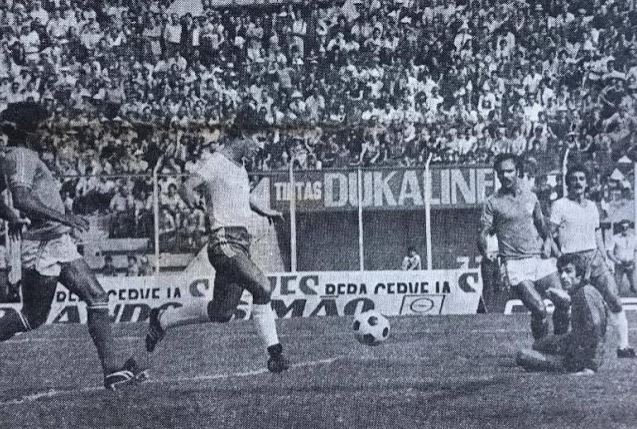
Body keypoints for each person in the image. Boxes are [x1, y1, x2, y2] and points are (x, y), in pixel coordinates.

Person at [0, 102, 146, 390]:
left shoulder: (17, 156)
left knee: (97, 296)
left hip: (56, 240)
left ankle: (113, 370)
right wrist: (61, 217)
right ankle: (112, 369)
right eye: (41, 126)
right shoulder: (20, 155)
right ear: (27, 130)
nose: (46, 131)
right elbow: (22, 199)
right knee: (32, 317)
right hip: (42, 245)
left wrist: (13, 217)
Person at [146, 106, 290, 373]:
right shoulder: (217, 162)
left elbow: (242, 197)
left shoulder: (240, 168)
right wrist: (192, 200)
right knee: (262, 286)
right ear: (243, 134)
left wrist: (265, 210)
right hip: (224, 242)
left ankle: (163, 319)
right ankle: (276, 354)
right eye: (258, 139)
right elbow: (187, 186)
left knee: (221, 312)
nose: (260, 146)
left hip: (240, 245)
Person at [479, 154, 570, 340]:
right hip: (515, 264)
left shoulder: (531, 197)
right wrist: (485, 251)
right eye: (501, 172)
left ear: (518, 171)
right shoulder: (492, 202)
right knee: (539, 309)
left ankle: (559, 345)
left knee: (563, 302)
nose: (505, 176)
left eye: (509, 171)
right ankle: (541, 348)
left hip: (539, 260)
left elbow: (542, 227)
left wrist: (547, 243)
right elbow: (483, 232)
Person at [550, 165, 635, 358]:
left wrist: (604, 257)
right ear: (568, 182)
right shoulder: (560, 205)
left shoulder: (592, 206)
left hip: (594, 259)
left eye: (581, 179)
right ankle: (559, 345)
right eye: (574, 179)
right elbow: (549, 234)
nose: (578, 182)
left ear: (587, 183)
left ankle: (623, 346)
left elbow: (597, 234)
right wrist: (559, 257)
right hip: (571, 261)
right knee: (567, 305)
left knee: (614, 298)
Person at [516, 254, 608, 375]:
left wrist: (590, 366)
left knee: (523, 355)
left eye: (568, 271)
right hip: (574, 341)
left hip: (578, 357)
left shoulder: (585, 294)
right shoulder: (584, 291)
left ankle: (564, 363)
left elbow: (596, 327)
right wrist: (568, 298)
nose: (563, 276)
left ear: (579, 274)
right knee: (539, 344)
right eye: (561, 272)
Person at [607, 219, 637, 294]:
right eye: (623, 227)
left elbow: (635, 251)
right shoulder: (615, 238)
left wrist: (634, 261)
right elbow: (609, 252)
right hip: (619, 265)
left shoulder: (634, 238)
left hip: (631, 265)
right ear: (620, 228)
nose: (625, 229)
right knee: (616, 288)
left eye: (626, 227)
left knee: (635, 287)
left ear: (629, 228)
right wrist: (616, 261)